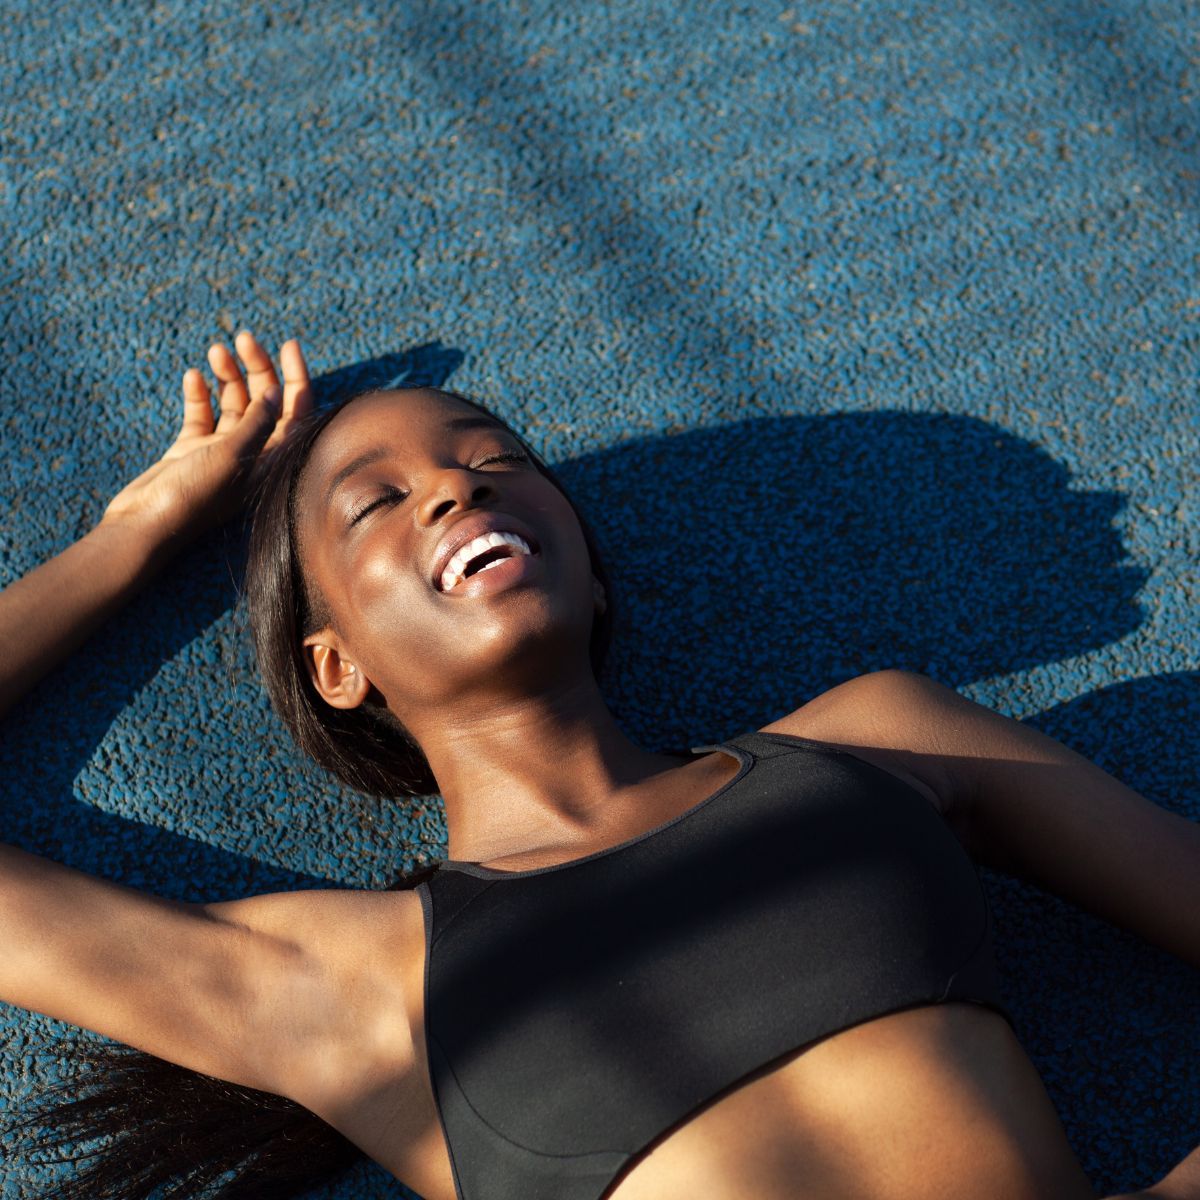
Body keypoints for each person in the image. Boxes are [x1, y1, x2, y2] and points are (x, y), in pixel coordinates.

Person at [0, 332, 1197, 1200]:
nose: (459, 486)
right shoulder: (353, 992)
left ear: (594, 568)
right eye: (377, 503)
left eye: (495, 462)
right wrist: (136, 535)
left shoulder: (881, 744)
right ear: (337, 667)